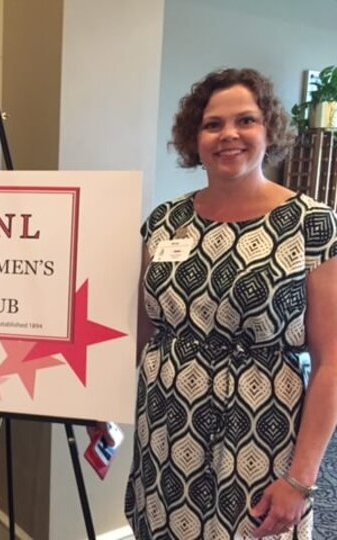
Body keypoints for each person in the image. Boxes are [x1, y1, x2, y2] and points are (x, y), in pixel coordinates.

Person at [124, 68, 337, 539]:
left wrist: (301, 480)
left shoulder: (312, 224)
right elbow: (141, 327)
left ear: (269, 130)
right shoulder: (165, 221)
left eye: (246, 120)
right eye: (213, 124)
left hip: (260, 428)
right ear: (193, 138)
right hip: (165, 422)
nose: (229, 135)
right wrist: (98, 400)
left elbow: (331, 364)